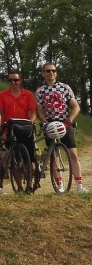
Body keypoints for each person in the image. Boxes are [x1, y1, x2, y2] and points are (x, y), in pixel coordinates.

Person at [35, 64, 88, 193]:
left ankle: (79, 186)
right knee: (54, 155)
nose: (51, 73)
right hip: (49, 123)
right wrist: (45, 122)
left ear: (56, 73)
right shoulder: (40, 91)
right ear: (43, 73)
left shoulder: (65, 87)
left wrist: (69, 120)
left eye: (53, 70)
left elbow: (75, 106)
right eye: (48, 71)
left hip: (64, 123)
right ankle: (59, 186)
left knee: (73, 154)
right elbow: (39, 111)